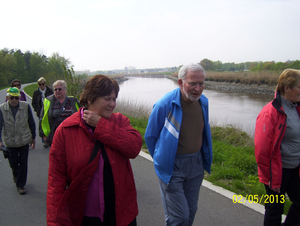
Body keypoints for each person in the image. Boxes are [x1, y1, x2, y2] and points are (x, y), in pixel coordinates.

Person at [46, 74, 142, 226]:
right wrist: (55, 222)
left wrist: (101, 126)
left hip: (121, 214)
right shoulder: (66, 130)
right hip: (85, 217)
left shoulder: (120, 121)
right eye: (107, 98)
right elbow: (55, 180)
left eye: (114, 99)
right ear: (90, 99)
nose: (112, 104)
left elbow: (134, 148)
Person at [144, 63, 213, 226]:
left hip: (195, 165)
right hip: (173, 166)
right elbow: (150, 136)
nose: (198, 88)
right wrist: (162, 161)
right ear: (181, 83)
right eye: (193, 83)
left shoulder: (203, 102)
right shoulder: (165, 104)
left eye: (201, 83)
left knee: (190, 213)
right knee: (178, 218)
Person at [255, 69, 300, 226]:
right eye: (299, 86)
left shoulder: (297, 108)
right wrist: (271, 179)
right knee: (275, 209)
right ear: (287, 88)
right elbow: (262, 151)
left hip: (296, 169)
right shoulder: (270, 112)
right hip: (277, 172)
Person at [0, 87, 36, 195]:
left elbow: (31, 122)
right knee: (14, 162)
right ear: (7, 97)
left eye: (16, 98)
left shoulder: (25, 106)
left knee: (23, 163)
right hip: (10, 141)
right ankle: (16, 174)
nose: (14, 100)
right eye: (12, 98)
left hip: (24, 140)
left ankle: (21, 185)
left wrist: (33, 137)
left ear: (19, 98)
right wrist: (0, 141)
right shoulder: (1, 108)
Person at [39, 80, 80, 147]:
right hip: (55, 136)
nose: (57, 91)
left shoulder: (73, 101)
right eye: (55, 89)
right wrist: (43, 135)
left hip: (72, 136)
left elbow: (80, 116)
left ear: (65, 90)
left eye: (59, 89)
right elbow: (42, 118)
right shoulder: (48, 101)